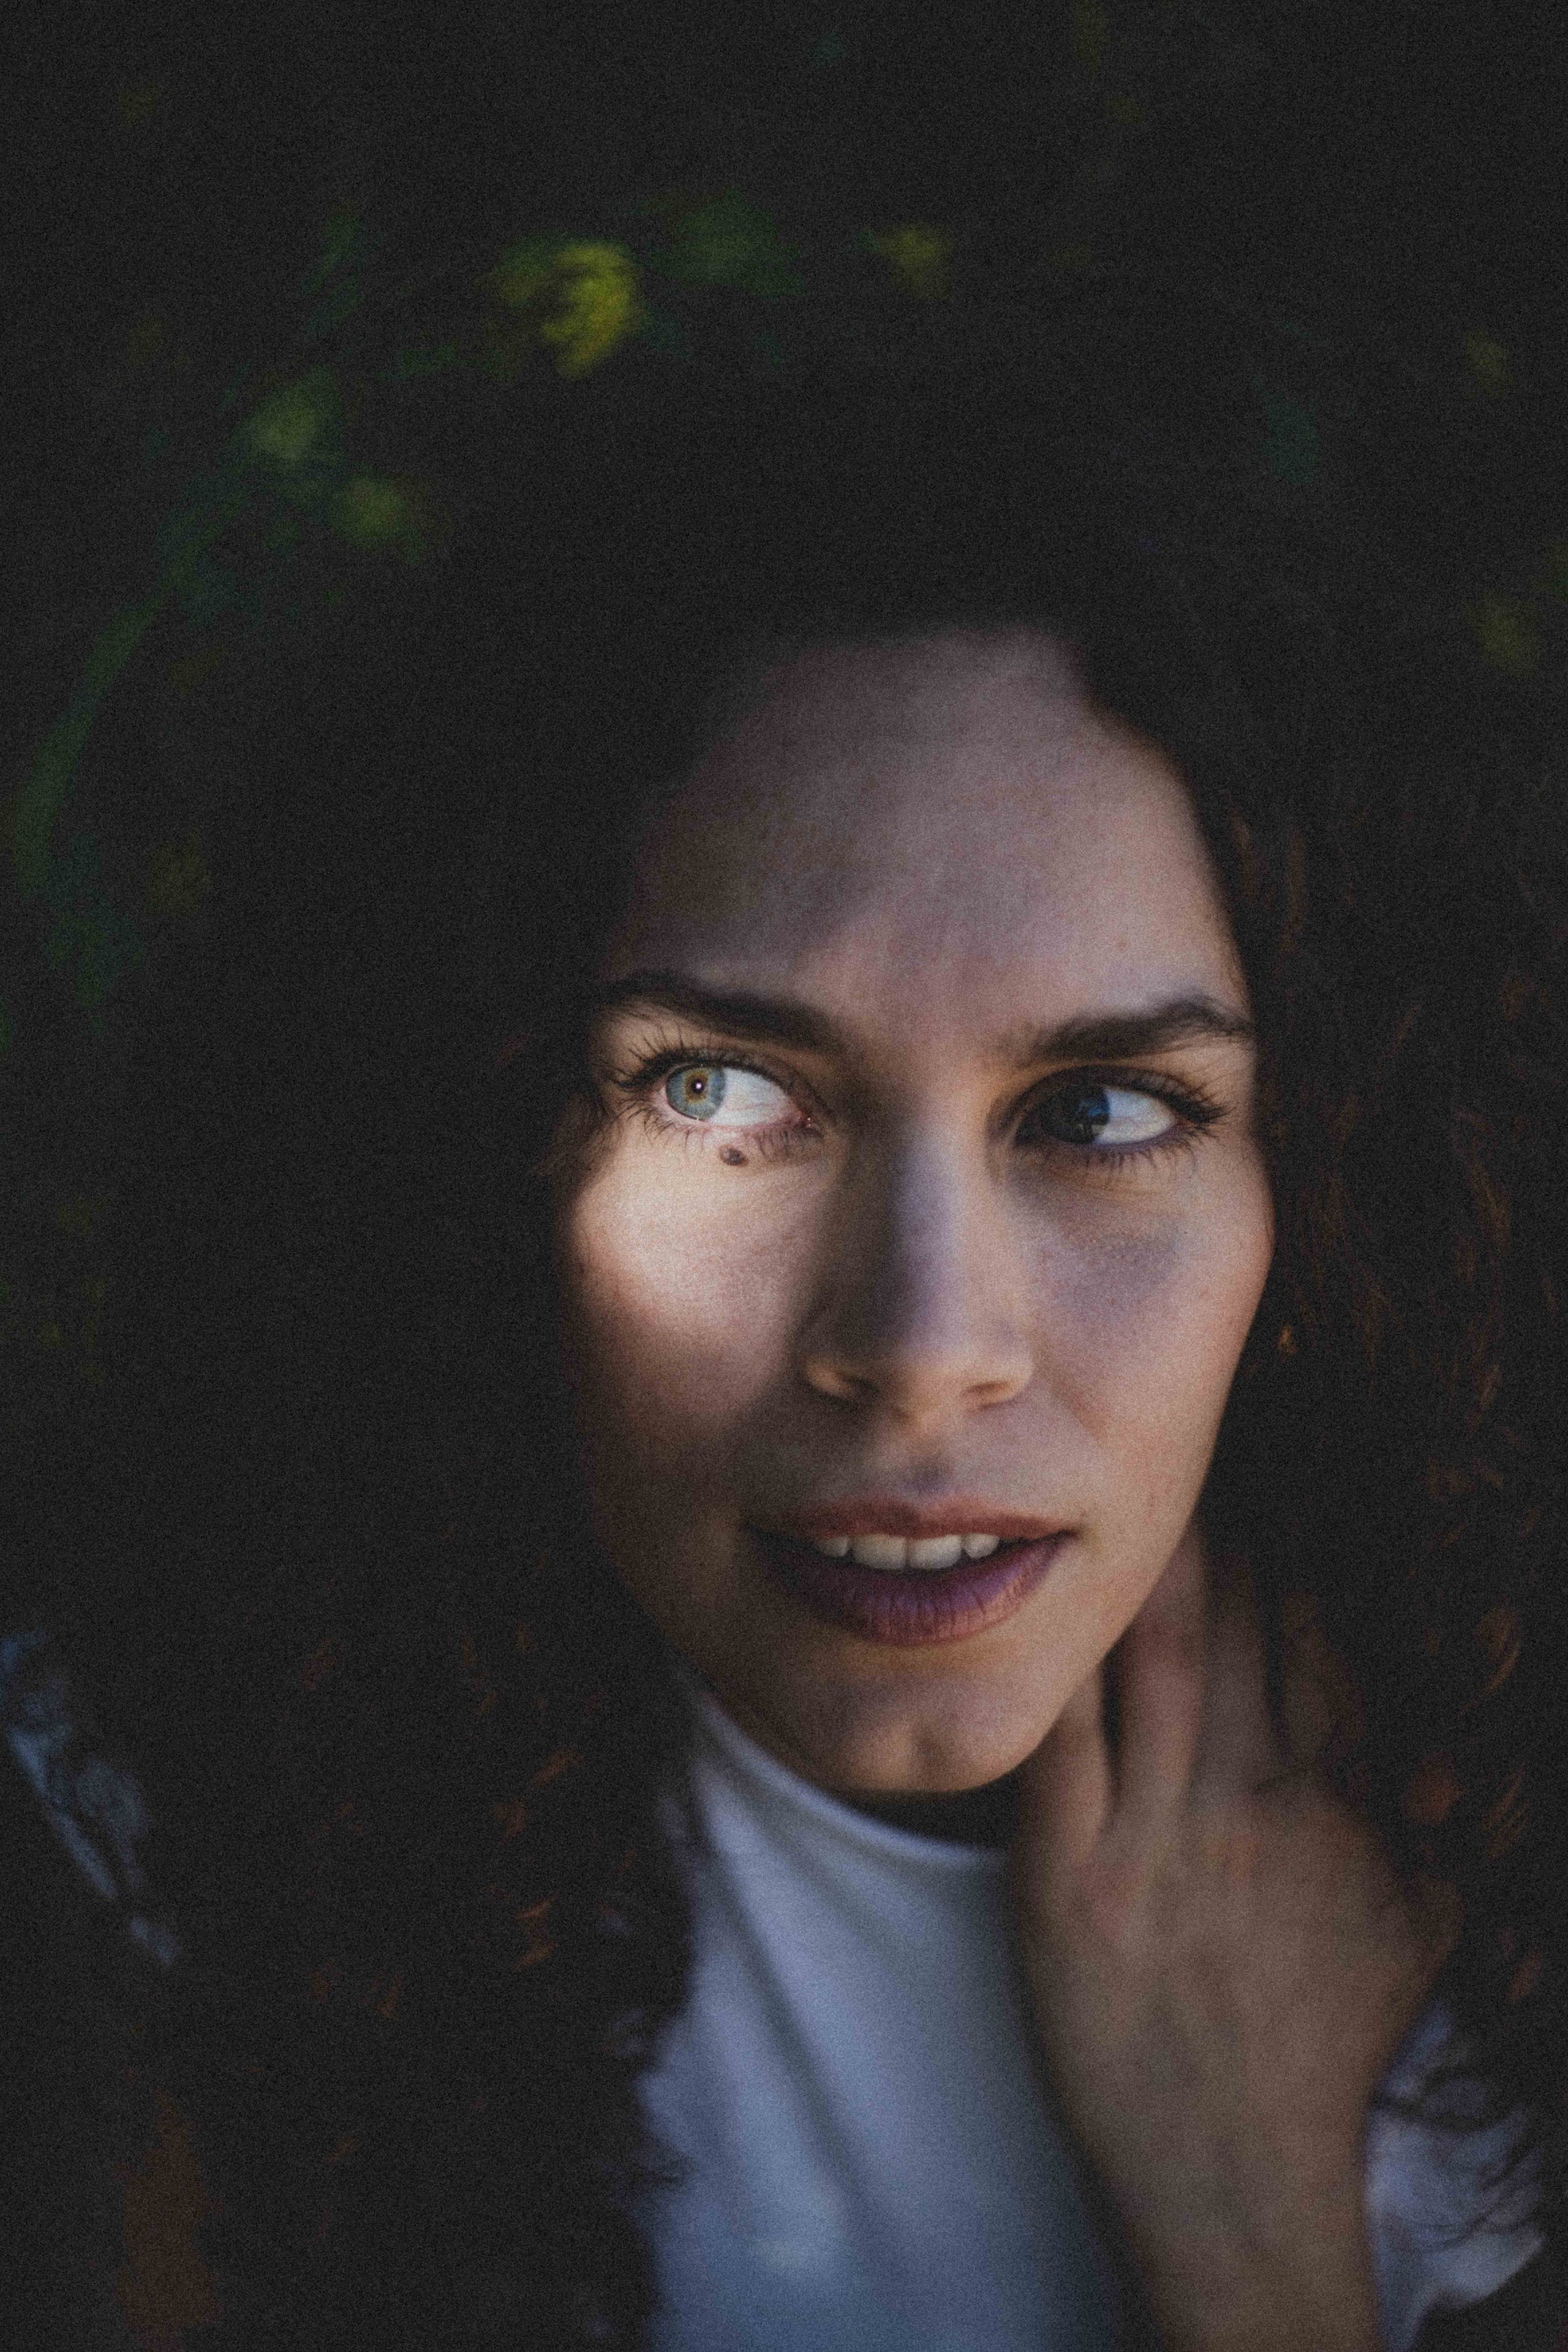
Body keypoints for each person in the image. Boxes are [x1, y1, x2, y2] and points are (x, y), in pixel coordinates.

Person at [7, 285, 1567, 2349]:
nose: (922, 1343)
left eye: (1105, 1111)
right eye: (721, 1095)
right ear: (477, 1135)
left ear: (1329, 1185)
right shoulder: (161, 1827)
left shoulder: (1501, 1873)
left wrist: (1252, 2235)